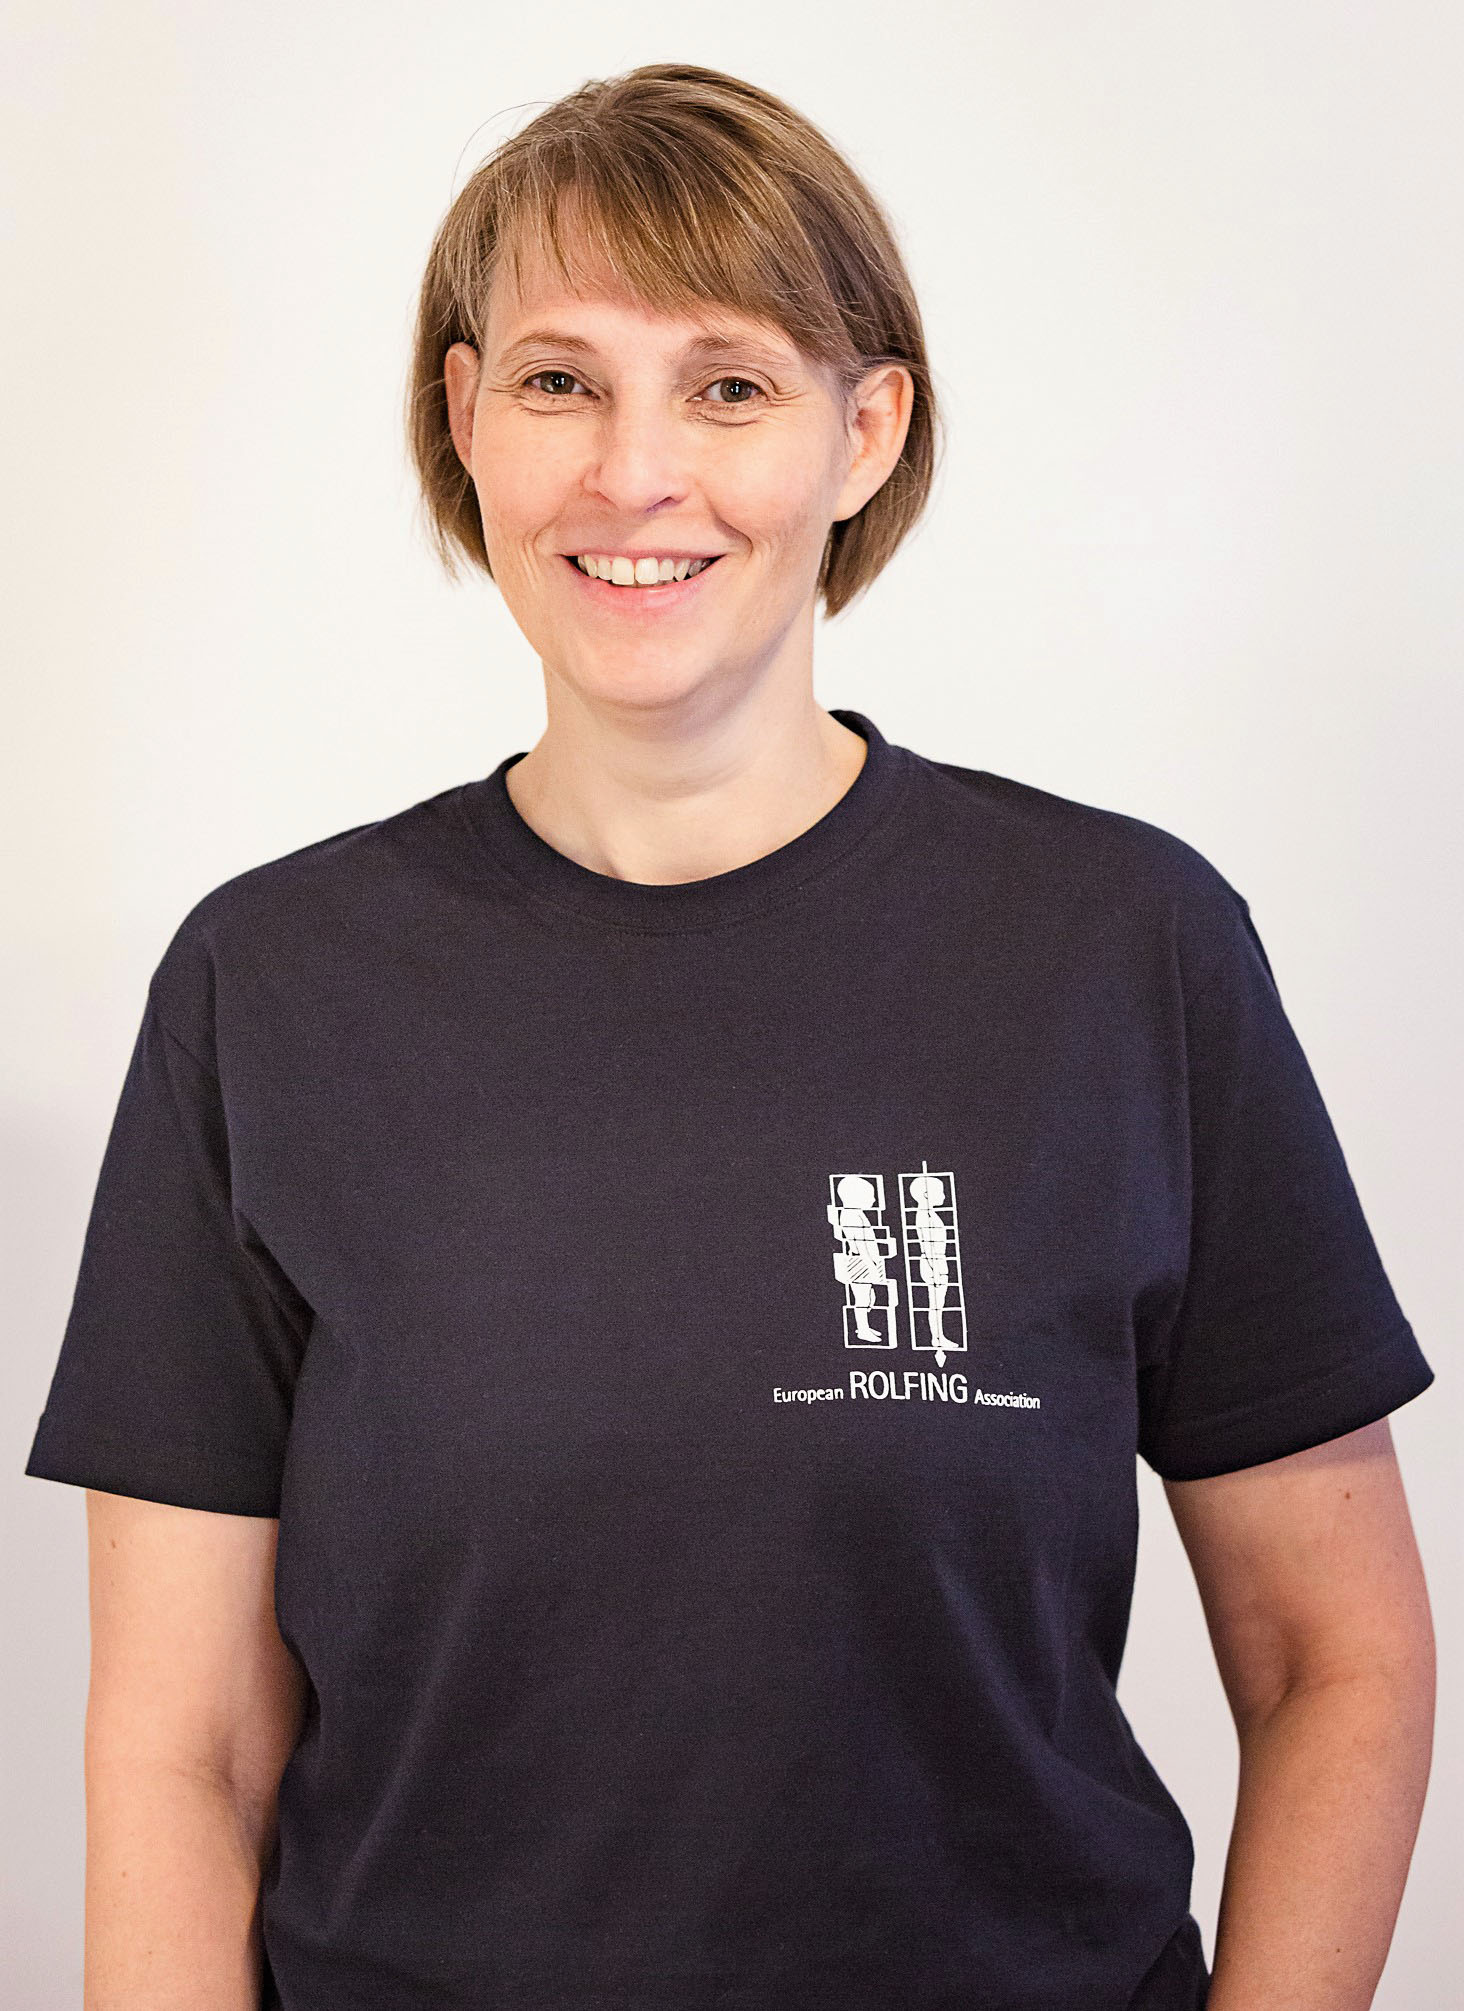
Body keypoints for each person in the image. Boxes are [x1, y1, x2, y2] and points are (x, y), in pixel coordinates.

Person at [23, 60, 1435, 2011]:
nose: (634, 473)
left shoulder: (1128, 951)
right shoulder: (267, 987)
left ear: (868, 430)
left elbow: (1331, 1658)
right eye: (559, 381)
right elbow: (186, 1753)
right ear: (466, 417)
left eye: (729, 386)